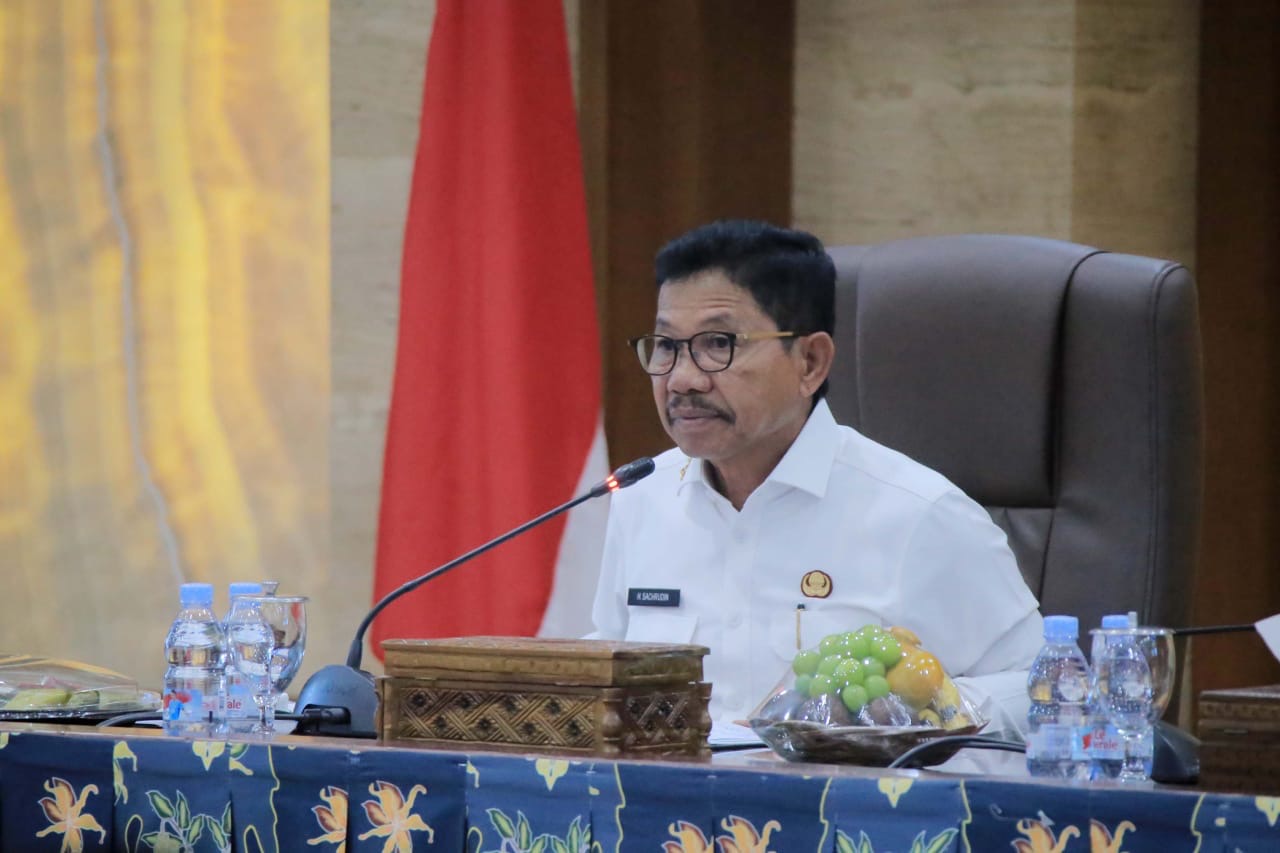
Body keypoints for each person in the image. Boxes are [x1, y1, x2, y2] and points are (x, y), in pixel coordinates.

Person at [589, 220, 1043, 737]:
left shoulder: (921, 514)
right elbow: (604, 676)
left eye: (718, 343)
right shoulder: (642, 499)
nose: (682, 379)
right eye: (666, 346)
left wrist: (906, 714)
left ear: (810, 362)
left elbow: (1041, 690)